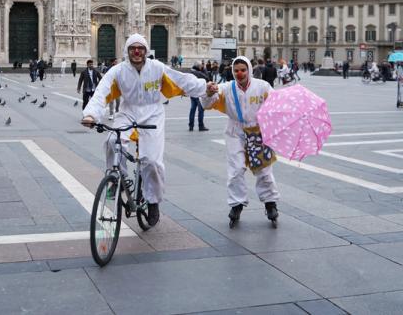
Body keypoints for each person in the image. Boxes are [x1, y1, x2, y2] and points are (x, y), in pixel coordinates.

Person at [81, 33, 214, 226]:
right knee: (111, 141)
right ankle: (116, 179)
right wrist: (91, 114)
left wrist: (204, 87)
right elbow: (101, 91)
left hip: (153, 114)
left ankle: (153, 202)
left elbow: (181, 80)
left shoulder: (156, 67)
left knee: (151, 162)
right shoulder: (118, 70)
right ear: (127, 51)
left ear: (145, 51)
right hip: (128, 111)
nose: (137, 52)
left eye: (140, 48)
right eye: (133, 48)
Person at [202, 56, 280, 226]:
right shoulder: (226, 88)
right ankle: (236, 204)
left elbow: (276, 104)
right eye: (236, 70)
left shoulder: (262, 86)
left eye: (243, 70)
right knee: (236, 169)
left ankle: (270, 203)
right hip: (235, 131)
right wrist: (208, 93)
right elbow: (207, 104)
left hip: (258, 131)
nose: (239, 73)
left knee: (264, 170)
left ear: (249, 70)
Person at [188, 62, 210, 131]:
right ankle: (201, 126)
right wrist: (204, 70)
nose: (202, 67)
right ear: (198, 67)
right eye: (201, 66)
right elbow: (207, 78)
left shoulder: (190, 72)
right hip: (199, 94)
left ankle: (191, 126)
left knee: (192, 110)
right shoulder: (199, 73)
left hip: (192, 94)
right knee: (201, 110)